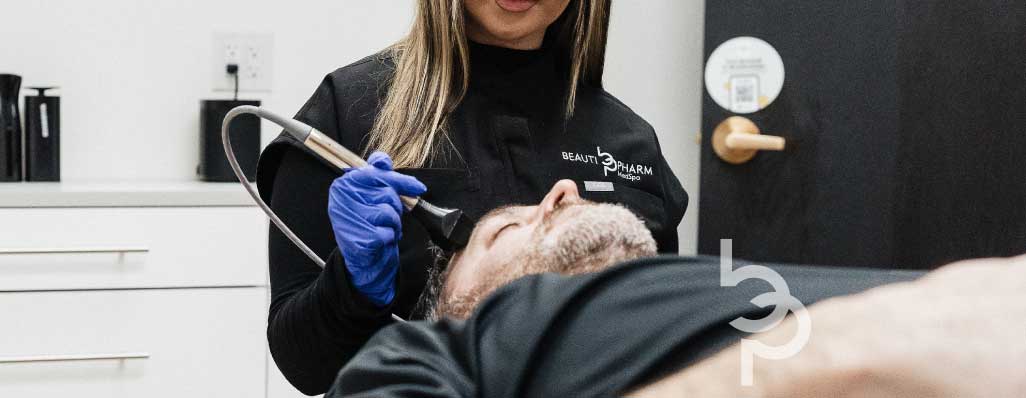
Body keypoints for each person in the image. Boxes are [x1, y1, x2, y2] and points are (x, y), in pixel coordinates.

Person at [255, 0, 689, 394]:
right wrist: (351, 286)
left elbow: (661, 338)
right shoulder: (350, 113)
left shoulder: (628, 142)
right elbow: (303, 366)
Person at [328, 181, 1026, 397]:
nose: (559, 194)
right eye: (503, 232)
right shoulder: (479, 345)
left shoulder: (715, 277)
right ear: (459, 304)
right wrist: (846, 353)